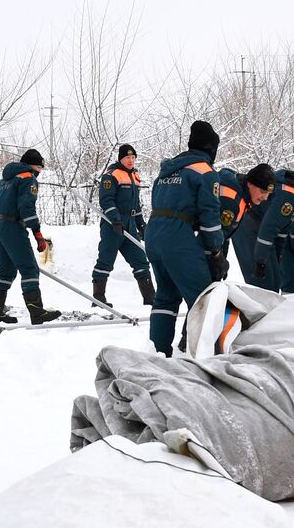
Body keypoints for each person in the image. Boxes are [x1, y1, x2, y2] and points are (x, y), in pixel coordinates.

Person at [144, 120, 226, 356]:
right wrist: (216, 252)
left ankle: (157, 354)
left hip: (154, 236)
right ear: (211, 148)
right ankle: (208, 357)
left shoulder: (167, 171)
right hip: (178, 240)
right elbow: (210, 217)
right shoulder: (205, 172)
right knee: (204, 299)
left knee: (165, 298)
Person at [0, 149, 61, 325]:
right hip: (14, 226)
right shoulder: (28, 178)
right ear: (31, 165)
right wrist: (38, 234)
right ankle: (36, 311)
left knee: (6, 270)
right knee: (29, 269)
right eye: (39, 168)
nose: (39, 172)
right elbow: (27, 207)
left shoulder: (3, 181)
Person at [93, 144, 153, 307]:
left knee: (140, 260)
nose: (131, 160)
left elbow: (137, 204)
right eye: (127, 158)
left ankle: (150, 299)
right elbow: (106, 200)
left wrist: (141, 225)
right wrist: (115, 220)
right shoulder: (111, 175)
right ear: (121, 158)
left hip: (130, 225)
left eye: (133, 157)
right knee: (105, 261)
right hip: (113, 226)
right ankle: (98, 299)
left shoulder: (135, 176)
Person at [254, 167, 294, 293]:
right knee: (266, 284)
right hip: (254, 225)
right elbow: (270, 227)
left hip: (264, 231)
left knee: (275, 282)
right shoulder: (290, 195)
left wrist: (278, 255)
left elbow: (283, 229)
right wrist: (260, 261)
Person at [230, 163, 274, 288]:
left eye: (268, 194)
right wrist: (217, 256)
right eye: (262, 191)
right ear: (249, 183)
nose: (265, 198)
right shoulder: (233, 199)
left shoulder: (246, 200)